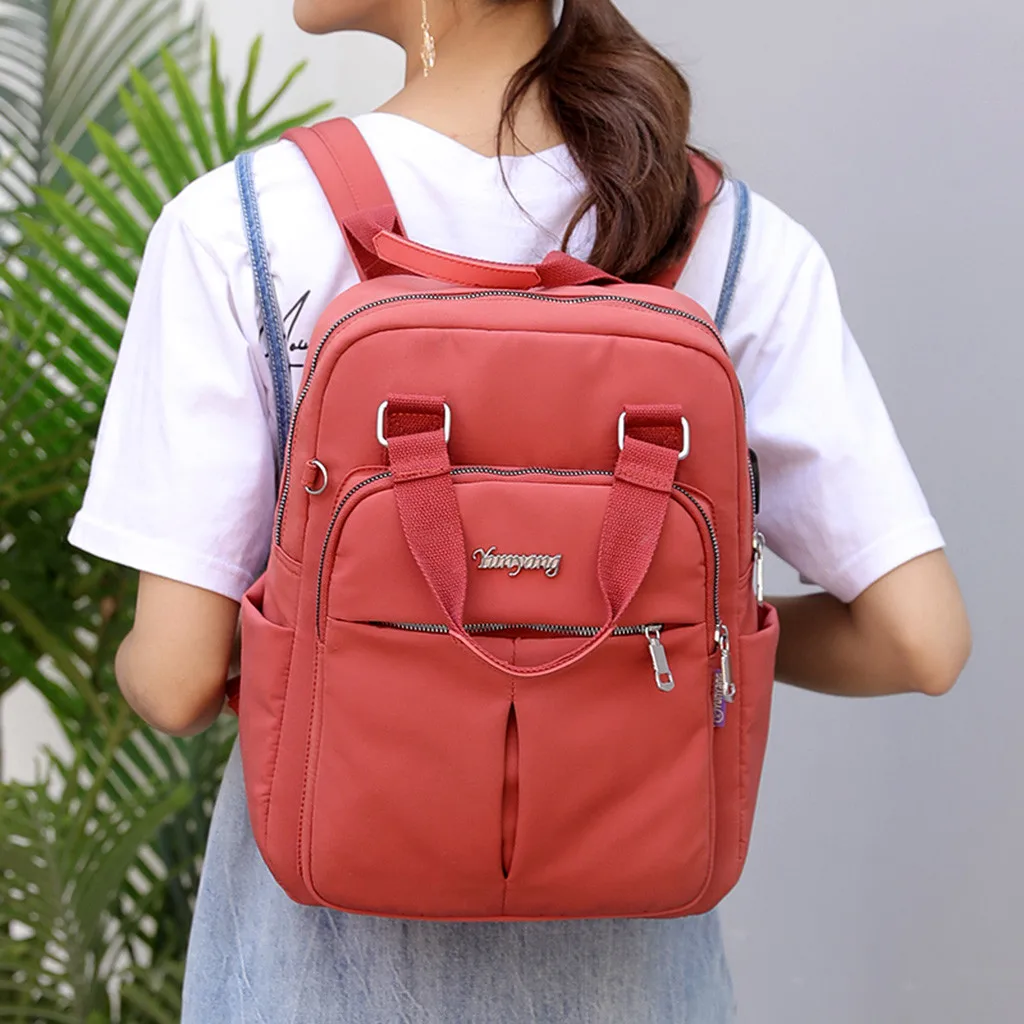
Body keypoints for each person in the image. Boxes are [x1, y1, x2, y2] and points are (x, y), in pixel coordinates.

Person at [66, 0, 972, 1020]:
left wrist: (314, 628)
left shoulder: (241, 226)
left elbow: (176, 680)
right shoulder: (729, 237)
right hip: (631, 985)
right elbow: (920, 642)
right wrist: (681, 626)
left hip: (319, 979)